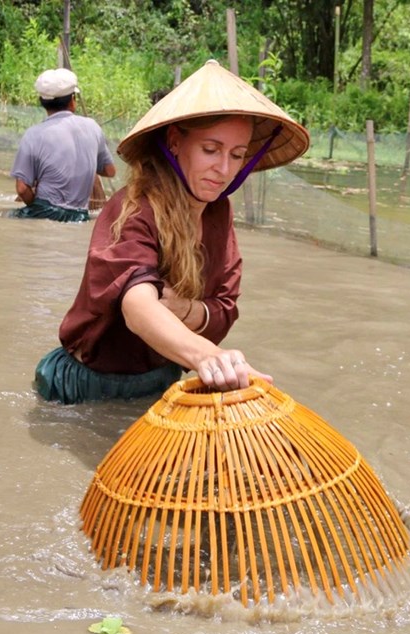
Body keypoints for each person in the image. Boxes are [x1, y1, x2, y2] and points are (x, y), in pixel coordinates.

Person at [35, 59, 310, 404]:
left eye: (237, 155)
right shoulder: (133, 208)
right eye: (210, 150)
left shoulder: (218, 211)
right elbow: (137, 306)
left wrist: (186, 311)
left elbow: (225, 305)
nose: (223, 169)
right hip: (88, 388)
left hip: (162, 380)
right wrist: (207, 356)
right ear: (175, 142)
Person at [10, 68, 116, 222]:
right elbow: (110, 171)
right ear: (73, 101)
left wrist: (35, 206)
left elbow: (22, 189)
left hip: (44, 211)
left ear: (42, 103)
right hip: (80, 215)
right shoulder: (93, 127)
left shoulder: (33, 134)